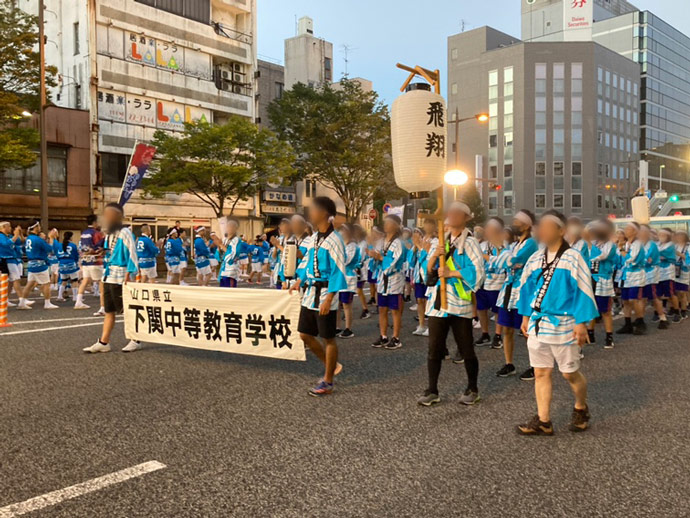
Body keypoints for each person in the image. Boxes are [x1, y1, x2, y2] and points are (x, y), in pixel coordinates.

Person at [516, 210, 598, 435]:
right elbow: (525, 288)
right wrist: (525, 316)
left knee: (569, 373)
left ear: (561, 231)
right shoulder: (535, 258)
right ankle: (544, 421)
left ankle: (581, 407)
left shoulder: (573, 258)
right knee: (541, 373)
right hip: (538, 323)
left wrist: (581, 322)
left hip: (564, 323)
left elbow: (583, 288)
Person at [417, 201, 485, 407]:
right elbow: (425, 271)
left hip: (459, 303)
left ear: (466, 218)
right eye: (451, 212)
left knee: (466, 348)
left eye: (458, 213)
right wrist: (434, 258)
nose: (453, 216)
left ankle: (472, 388)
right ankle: (432, 389)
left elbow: (478, 272)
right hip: (438, 302)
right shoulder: (441, 241)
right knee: (434, 348)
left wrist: (451, 272)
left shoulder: (470, 243)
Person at [290, 197, 347, 397]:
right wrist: (300, 279)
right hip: (310, 293)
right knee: (304, 334)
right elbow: (307, 262)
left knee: (328, 338)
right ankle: (331, 365)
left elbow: (338, 271)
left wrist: (330, 298)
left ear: (324, 213)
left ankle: (328, 380)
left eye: (313, 210)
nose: (310, 213)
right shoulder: (314, 238)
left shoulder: (335, 240)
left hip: (324, 294)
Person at [84, 203, 140, 353]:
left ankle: (135, 339)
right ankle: (104, 342)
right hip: (108, 275)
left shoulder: (125, 232)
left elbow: (132, 253)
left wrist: (131, 272)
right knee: (109, 310)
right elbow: (110, 252)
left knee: (127, 310)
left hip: (121, 276)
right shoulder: (109, 234)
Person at [495, 210, 538, 379]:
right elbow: (501, 264)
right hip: (508, 290)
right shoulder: (514, 245)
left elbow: (513, 261)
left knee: (528, 330)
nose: (514, 224)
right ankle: (509, 363)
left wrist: (503, 258)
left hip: (523, 291)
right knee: (506, 328)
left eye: (517, 222)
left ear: (527, 225)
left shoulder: (531, 243)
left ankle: (534, 365)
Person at [370, 214, 406, 350]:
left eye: (388, 223)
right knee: (382, 309)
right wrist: (374, 257)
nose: (385, 225)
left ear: (396, 226)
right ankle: (383, 336)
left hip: (394, 280)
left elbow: (396, 262)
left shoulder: (399, 243)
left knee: (395, 310)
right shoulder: (382, 241)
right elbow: (377, 259)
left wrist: (380, 258)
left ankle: (396, 337)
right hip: (382, 280)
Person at [476, 217, 506, 347]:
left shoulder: (504, 244)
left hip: (498, 283)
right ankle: (485, 333)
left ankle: (498, 335)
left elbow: (503, 260)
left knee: (497, 310)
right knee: (481, 308)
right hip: (482, 281)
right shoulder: (482, 245)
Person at [588, 219, 618, 348]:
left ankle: (609, 336)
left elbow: (604, 256)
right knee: (590, 308)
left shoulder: (610, 245)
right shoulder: (591, 243)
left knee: (605, 310)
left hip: (603, 279)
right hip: (590, 278)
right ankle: (590, 334)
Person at [17, 220, 59, 310]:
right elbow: (50, 249)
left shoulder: (28, 238)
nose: (40, 228)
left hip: (31, 264)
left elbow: (24, 249)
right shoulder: (38, 239)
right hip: (40, 264)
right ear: (35, 227)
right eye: (39, 226)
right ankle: (47, 303)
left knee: (29, 284)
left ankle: (22, 302)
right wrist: (51, 238)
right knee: (46, 283)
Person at [617, 222, 648, 335]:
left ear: (635, 231)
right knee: (625, 300)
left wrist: (621, 250)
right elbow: (619, 259)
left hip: (636, 275)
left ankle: (640, 321)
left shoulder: (637, 243)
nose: (625, 230)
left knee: (635, 299)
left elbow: (630, 258)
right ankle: (627, 323)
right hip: (625, 275)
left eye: (628, 228)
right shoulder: (625, 244)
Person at [639, 224, 669, 329]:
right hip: (642, 274)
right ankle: (640, 321)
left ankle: (662, 318)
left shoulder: (651, 245)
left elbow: (647, 260)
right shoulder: (639, 244)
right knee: (641, 298)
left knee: (654, 297)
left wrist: (637, 261)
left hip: (651, 274)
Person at [75, 214, 104, 309]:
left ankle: (78, 301)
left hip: (85, 260)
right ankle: (102, 307)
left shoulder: (84, 233)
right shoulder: (96, 233)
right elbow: (98, 247)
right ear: (95, 222)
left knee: (85, 280)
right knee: (101, 282)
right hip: (95, 260)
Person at [337, 224, 361, 339]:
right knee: (336, 303)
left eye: (344, 230)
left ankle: (348, 328)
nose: (342, 233)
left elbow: (345, 261)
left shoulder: (353, 246)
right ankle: (337, 327)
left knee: (347, 304)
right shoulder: (340, 245)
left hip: (349, 277)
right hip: (338, 277)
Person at [657, 228, 680, 323]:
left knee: (671, 294)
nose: (660, 236)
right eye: (660, 234)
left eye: (663, 235)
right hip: (658, 273)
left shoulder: (670, 245)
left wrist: (656, 256)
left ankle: (677, 312)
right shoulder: (657, 244)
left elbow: (665, 256)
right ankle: (660, 313)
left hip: (668, 273)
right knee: (658, 295)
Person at [217, 218, 247, 287]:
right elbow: (220, 257)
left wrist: (221, 245)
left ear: (235, 228)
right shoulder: (225, 239)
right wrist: (219, 247)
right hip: (223, 269)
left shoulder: (237, 240)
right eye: (227, 226)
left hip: (231, 271)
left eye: (230, 226)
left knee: (230, 291)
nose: (228, 228)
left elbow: (233, 255)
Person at [56, 231, 80, 301]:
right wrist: (76, 262)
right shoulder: (73, 245)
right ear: (70, 237)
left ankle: (60, 296)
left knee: (64, 281)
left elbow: (57, 255)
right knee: (74, 281)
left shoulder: (59, 245)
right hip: (71, 264)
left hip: (62, 264)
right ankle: (75, 297)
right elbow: (76, 256)